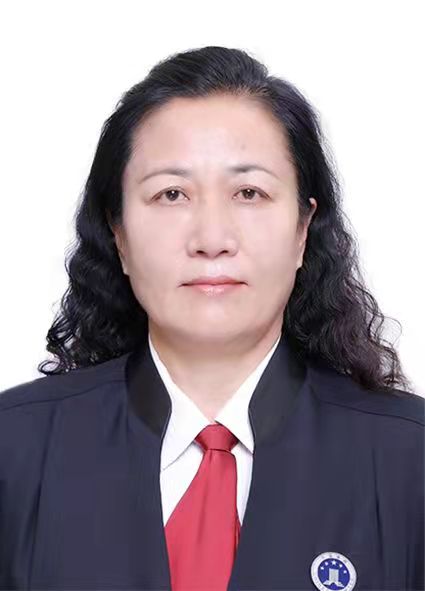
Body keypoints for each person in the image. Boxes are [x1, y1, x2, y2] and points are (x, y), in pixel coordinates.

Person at [0, 45, 423, 591]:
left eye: (249, 192)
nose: (212, 239)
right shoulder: (15, 450)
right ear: (118, 234)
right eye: (171, 194)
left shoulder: (408, 461)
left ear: (302, 229)